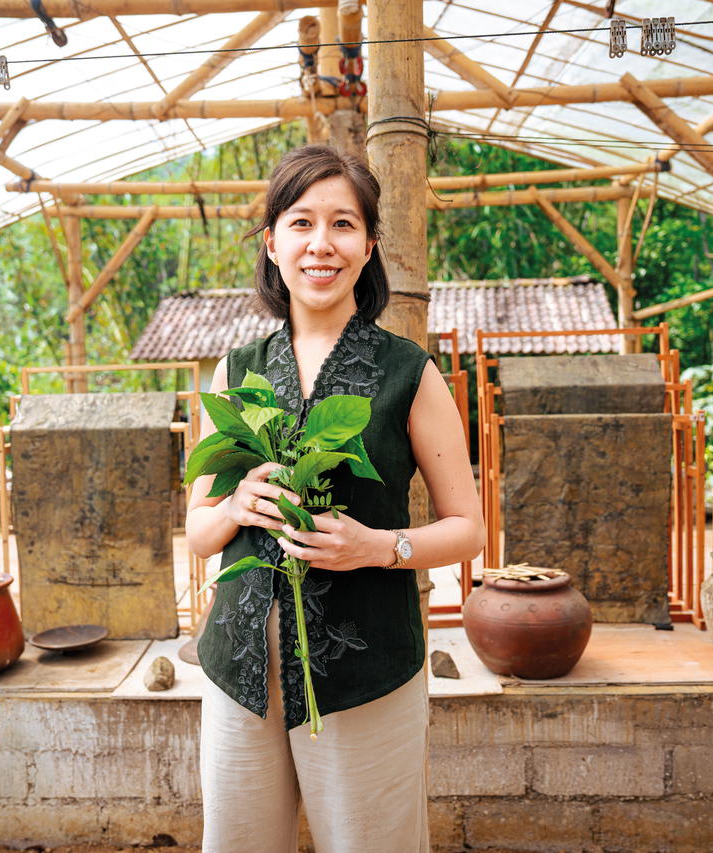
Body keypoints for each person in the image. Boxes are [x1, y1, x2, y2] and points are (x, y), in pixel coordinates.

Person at [185, 145, 484, 853]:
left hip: (365, 674)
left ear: (370, 243)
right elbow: (198, 529)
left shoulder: (409, 372)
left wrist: (380, 546)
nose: (322, 244)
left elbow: (469, 528)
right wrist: (233, 509)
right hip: (240, 670)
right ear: (273, 241)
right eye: (301, 223)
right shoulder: (236, 371)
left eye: (343, 224)